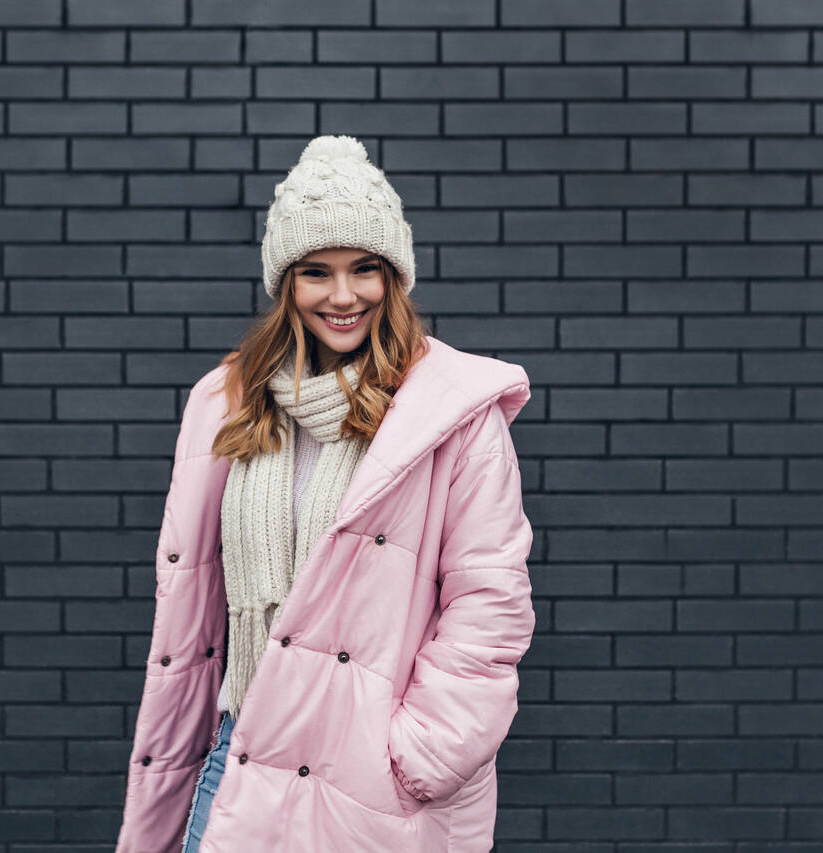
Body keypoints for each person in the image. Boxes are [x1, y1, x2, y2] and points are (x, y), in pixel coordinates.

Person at [114, 134, 535, 853]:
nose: (343, 296)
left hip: (369, 783)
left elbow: (489, 607)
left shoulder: (450, 417)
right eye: (317, 271)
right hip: (238, 757)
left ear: (394, 278)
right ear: (287, 285)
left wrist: (414, 756)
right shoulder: (228, 406)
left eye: (365, 269)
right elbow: (191, 606)